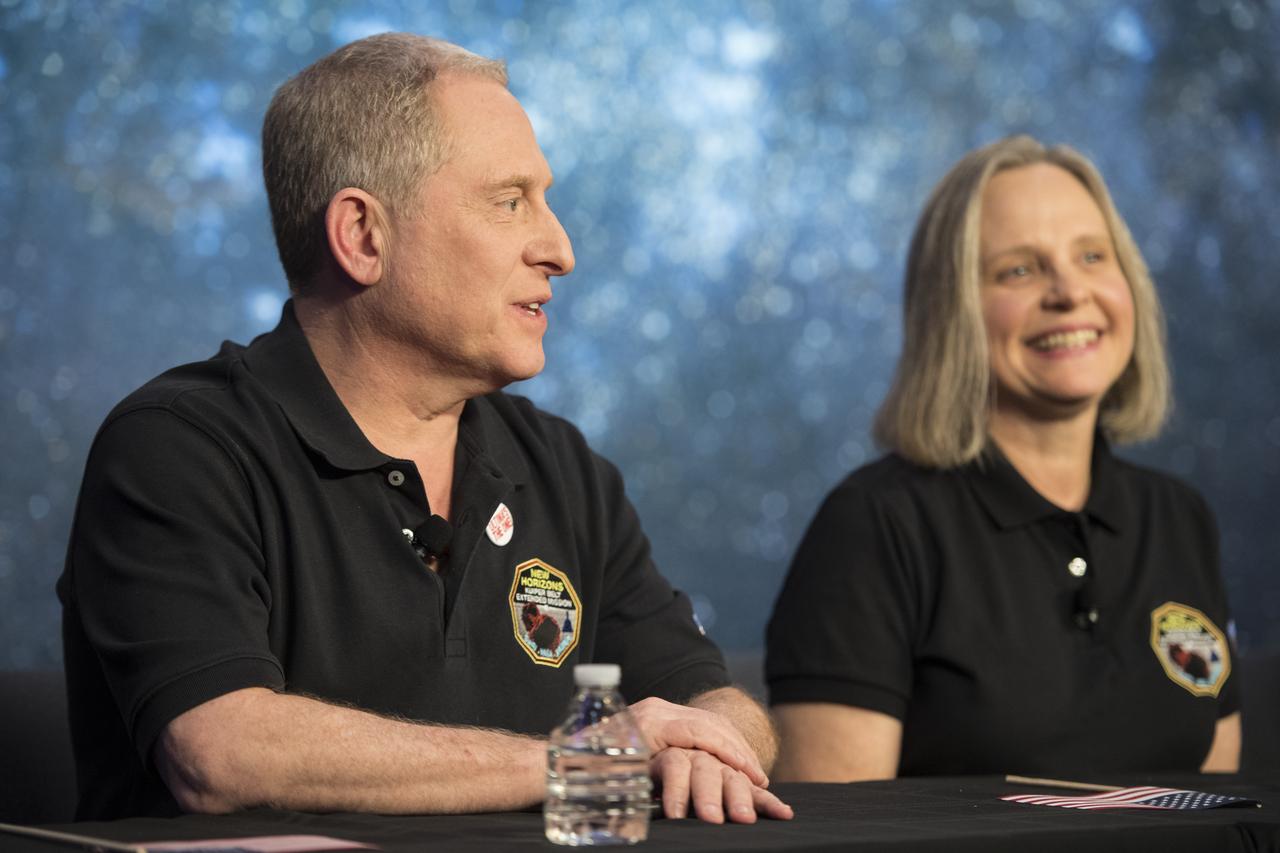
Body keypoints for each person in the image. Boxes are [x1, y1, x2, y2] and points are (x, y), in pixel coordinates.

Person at [58, 33, 791, 825]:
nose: (560, 250)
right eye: (510, 201)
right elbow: (222, 751)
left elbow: (709, 695)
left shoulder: (563, 466)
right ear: (364, 236)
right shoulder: (178, 449)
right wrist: (583, 762)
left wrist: (706, 739)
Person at [766, 135, 1241, 781]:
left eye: (1093, 256)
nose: (1070, 292)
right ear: (950, 311)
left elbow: (1220, 813)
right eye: (1019, 269)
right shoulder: (875, 526)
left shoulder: (1178, 518)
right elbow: (842, 832)